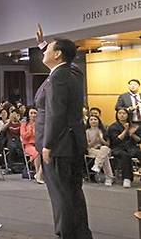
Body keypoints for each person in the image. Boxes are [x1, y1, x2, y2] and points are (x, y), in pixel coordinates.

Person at [34, 24, 92, 238]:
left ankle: (66, 234)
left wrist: (48, 145)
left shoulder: (58, 77)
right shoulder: (73, 71)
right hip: (71, 143)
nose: (45, 52)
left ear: (57, 55)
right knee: (73, 193)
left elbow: (55, 114)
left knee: (61, 197)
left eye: (48, 49)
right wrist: (43, 44)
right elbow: (63, 61)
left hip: (58, 146)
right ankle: (81, 234)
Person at [86, 115, 113, 186]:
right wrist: (95, 138)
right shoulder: (87, 131)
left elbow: (107, 144)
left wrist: (101, 139)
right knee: (104, 157)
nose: (93, 121)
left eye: (95, 119)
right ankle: (109, 178)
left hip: (103, 149)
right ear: (88, 122)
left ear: (98, 121)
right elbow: (88, 146)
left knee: (104, 149)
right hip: (92, 150)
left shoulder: (103, 131)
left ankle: (97, 165)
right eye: (91, 120)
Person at [21, 108, 44, 184]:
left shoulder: (40, 124)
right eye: (31, 113)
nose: (33, 115)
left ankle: (39, 174)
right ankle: (38, 174)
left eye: (35, 113)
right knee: (37, 153)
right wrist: (30, 129)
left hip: (39, 144)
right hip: (28, 145)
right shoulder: (24, 124)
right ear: (28, 114)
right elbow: (23, 136)